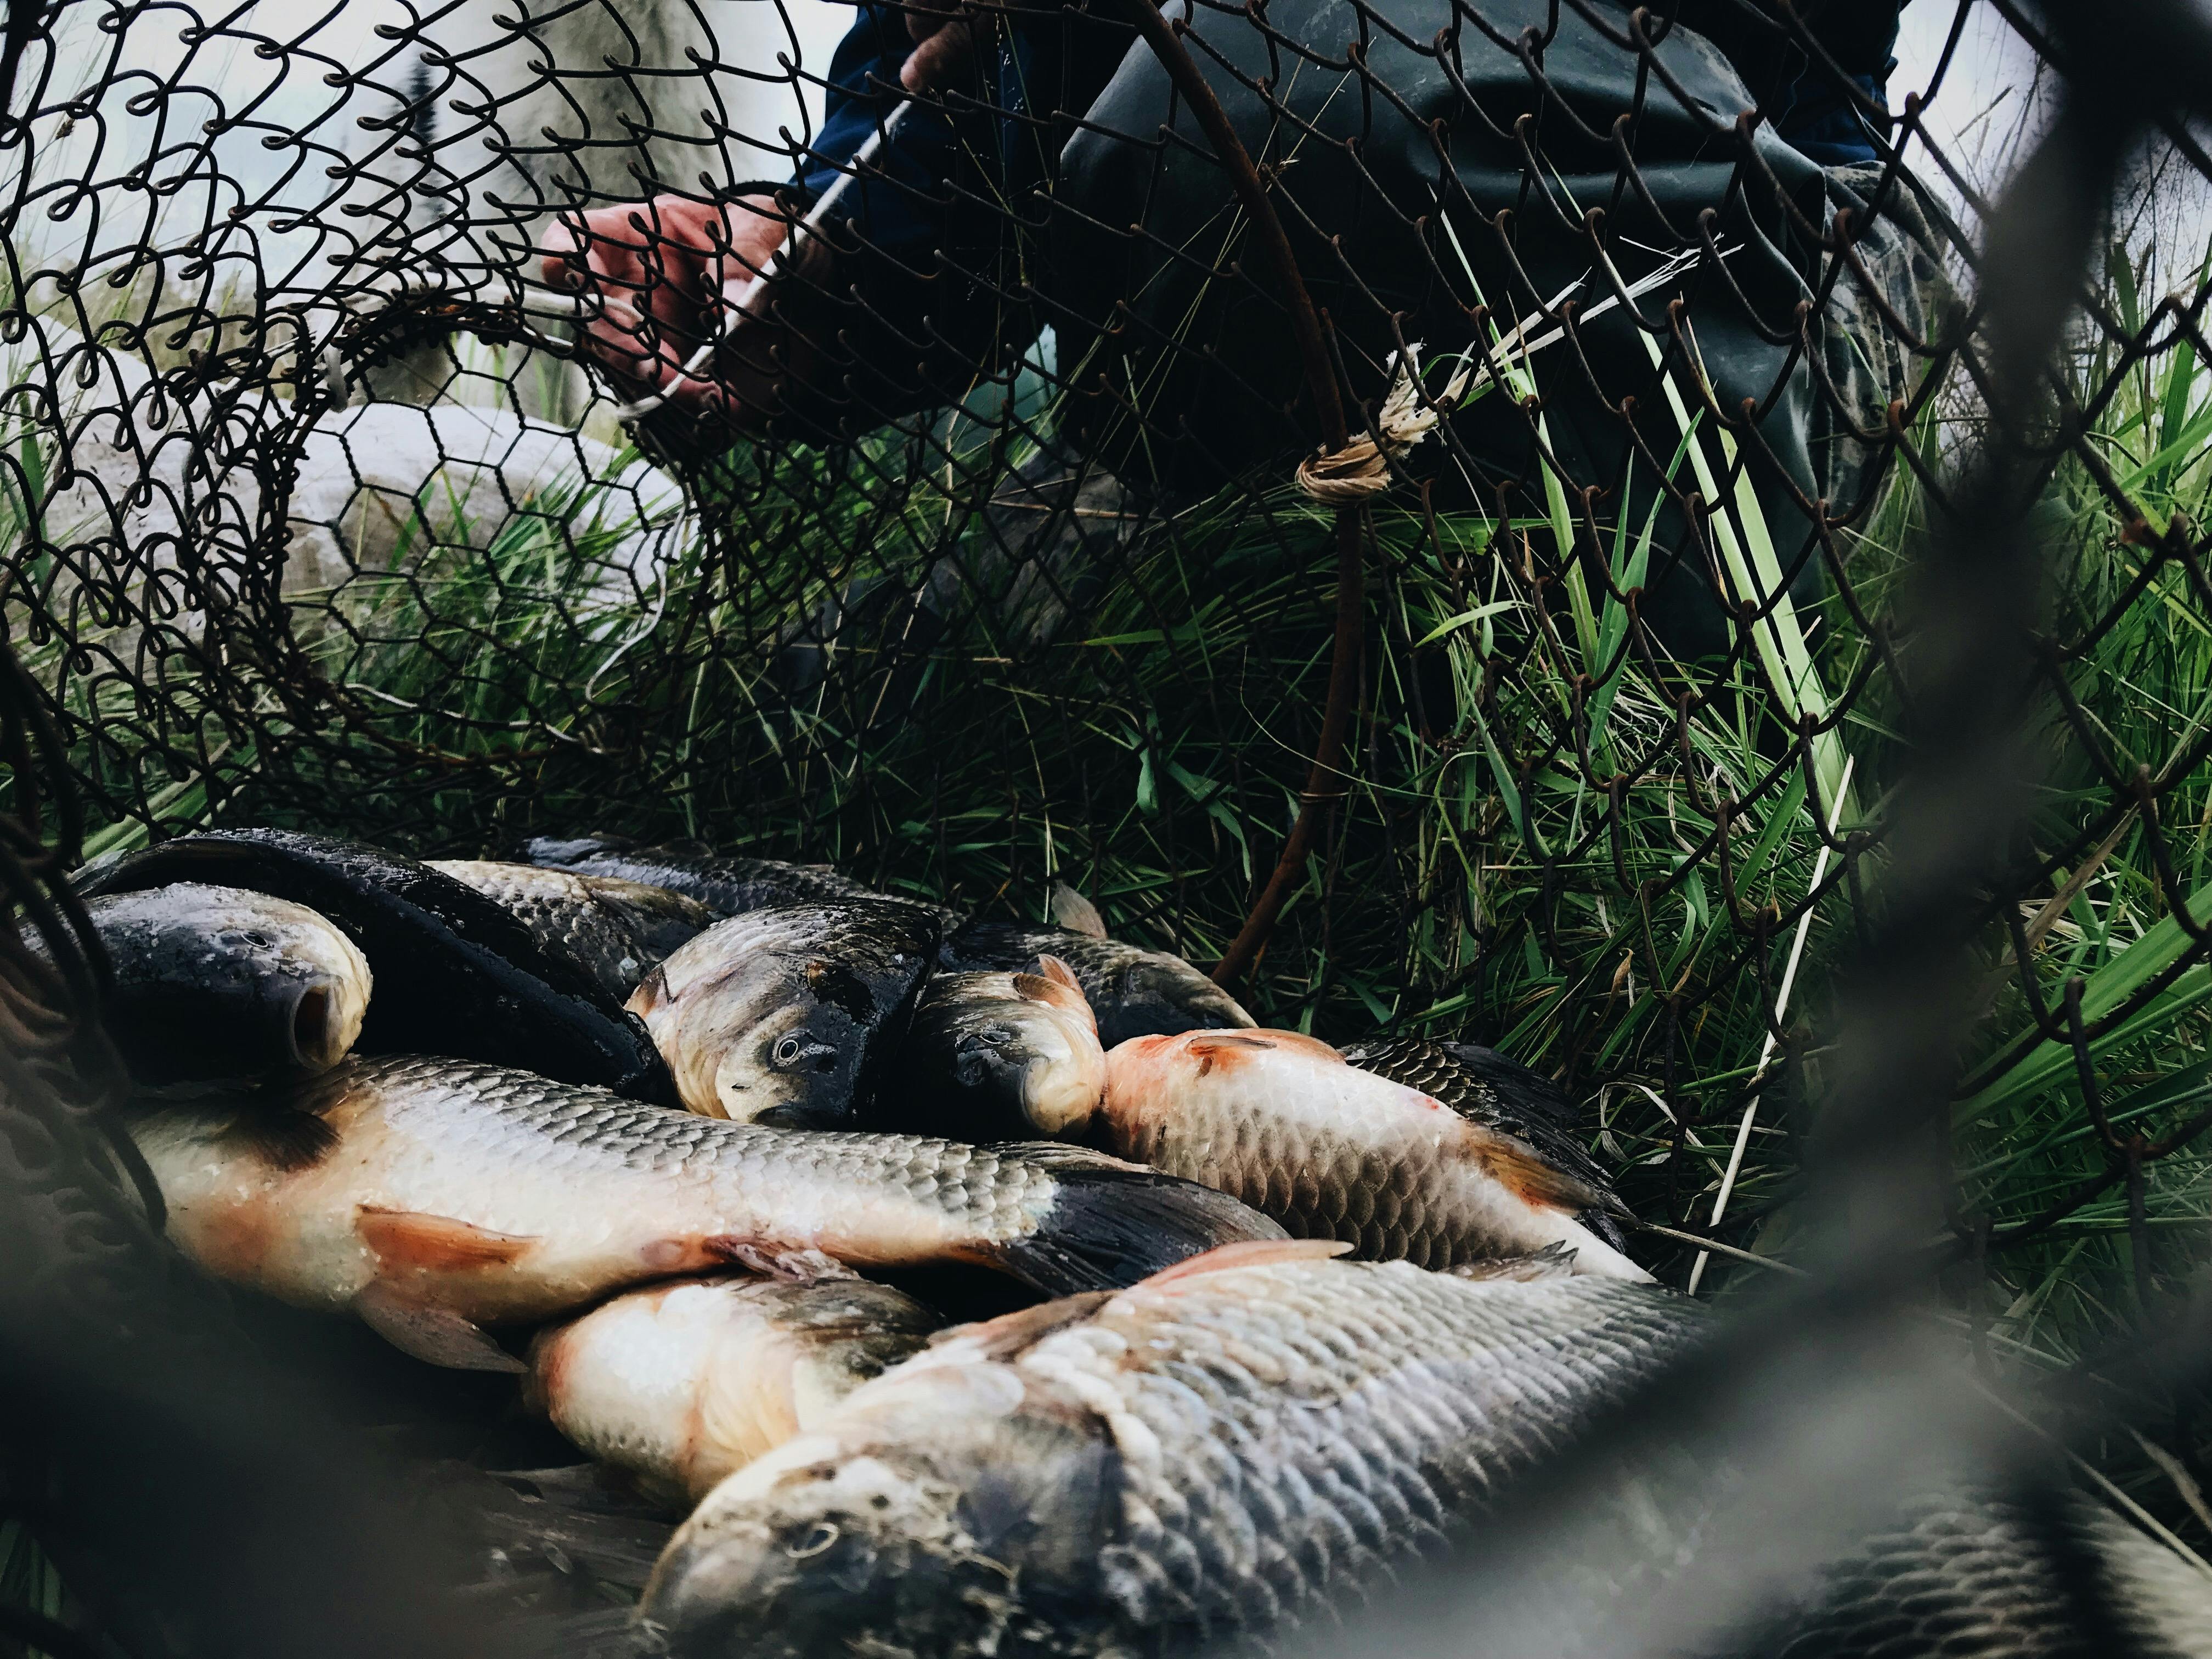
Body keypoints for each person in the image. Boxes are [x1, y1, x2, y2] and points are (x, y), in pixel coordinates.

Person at [544, 0, 1934, 652]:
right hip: (1299, 370)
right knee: (834, 685)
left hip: (1741, 256)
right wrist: (820, 264)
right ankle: (1253, 566)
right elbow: (954, 107)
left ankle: (1614, 639)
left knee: (1288, 67)